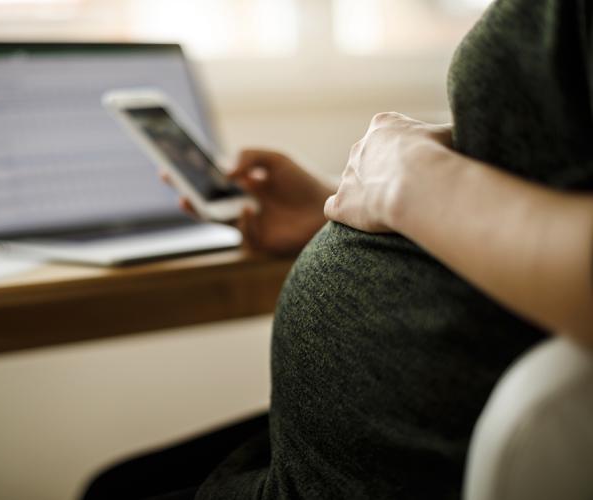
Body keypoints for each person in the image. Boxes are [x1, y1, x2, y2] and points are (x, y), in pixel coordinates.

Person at [83, 0, 593, 498]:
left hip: (403, 462)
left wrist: (407, 180)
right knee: (118, 483)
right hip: (345, 451)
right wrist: (339, 204)